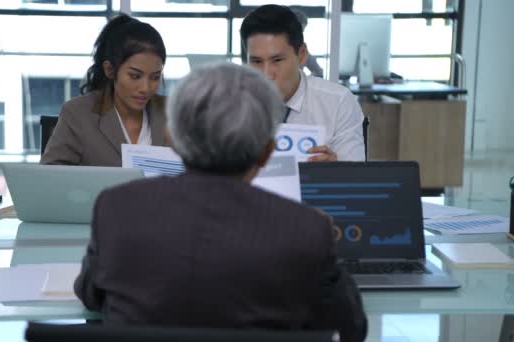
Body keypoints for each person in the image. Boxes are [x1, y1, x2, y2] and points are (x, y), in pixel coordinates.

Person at [74, 63, 368, 342]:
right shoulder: (306, 229)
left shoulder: (116, 207)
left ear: (172, 140)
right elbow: (350, 329)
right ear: (267, 152)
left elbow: (91, 295)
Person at [240, 4, 365, 162]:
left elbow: (355, 180)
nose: (267, 74)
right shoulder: (229, 104)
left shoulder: (338, 102)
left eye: (277, 60)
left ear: (302, 55)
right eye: (256, 61)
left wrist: (336, 170)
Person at [41, 14, 168, 166]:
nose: (145, 88)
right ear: (110, 70)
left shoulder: (175, 114)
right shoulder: (78, 114)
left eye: (155, 77)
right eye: (135, 76)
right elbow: (51, 178)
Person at [290, 7, 325, 78]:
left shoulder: (301, 50)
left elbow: (318, 72)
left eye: (302, 31)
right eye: (299, 30)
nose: (300, 34)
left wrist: (304, 82)